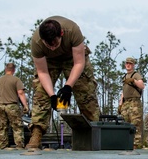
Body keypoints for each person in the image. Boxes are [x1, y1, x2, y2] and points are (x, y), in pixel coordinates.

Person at [26, 16, 100, 150]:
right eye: (48, 45)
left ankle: (95, 131)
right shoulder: (36, 42)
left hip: (73, 58)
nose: (53, 48)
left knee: (86, 92)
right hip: (49, 61)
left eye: (55, 43)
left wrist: (68, 87)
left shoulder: (73, 31)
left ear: (61, 34)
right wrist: (52, 96)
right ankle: (36, 133)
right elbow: (42, 72)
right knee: (40, 93)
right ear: (43, 40)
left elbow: (79, 63)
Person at [0, 62, 29, 150]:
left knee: (2, 127)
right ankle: (19, 146)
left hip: (1, 106)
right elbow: (20, 93)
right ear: (13, 70)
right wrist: (25, 105)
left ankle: (2, 146)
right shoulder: (16, 80)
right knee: (17, 126)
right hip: (12, 106)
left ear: (6, 70)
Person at [118, 56, 145, 148]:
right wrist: (121, 103)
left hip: (134, 102)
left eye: (130, 63)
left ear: (133, 65)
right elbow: (123, 91)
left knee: (135, 123)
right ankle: (126, 142)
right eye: (127, 63)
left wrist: (134, 81)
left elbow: (142, 86)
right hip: (126, 102)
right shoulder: (125, 76)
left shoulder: (135, 75)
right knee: (124, 123)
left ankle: (136, 144)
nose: (128, 65)